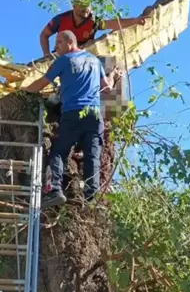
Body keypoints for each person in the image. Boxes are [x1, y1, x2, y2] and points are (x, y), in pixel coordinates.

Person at [25, 30, 123, 207]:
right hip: (94, 116)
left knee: (59, 152)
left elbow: (42, 83)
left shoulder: (64, 60)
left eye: (58, 43)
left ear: (70, 42)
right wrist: (113, 75)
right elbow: (107, 88)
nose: (56, 48)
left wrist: (23, 91)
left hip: (72, 113)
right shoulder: (94, 61)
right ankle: (92, 197)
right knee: (92, 156)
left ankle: (55, 190)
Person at [39, 0, 146, 56]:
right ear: (74, 6)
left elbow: (113, 24)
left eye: (88, 5)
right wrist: (46, 54)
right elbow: (44, 35)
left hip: (84, 55)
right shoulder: (61, 19)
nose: (85, 8)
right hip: (61, 55)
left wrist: (135, 21)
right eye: (82, 5)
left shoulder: (93, 22)